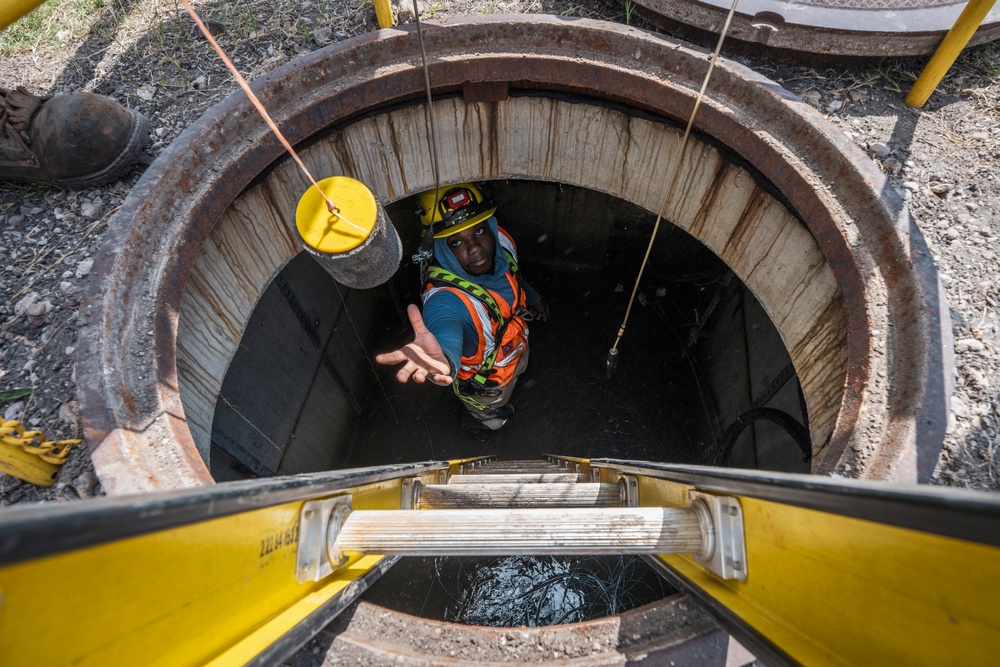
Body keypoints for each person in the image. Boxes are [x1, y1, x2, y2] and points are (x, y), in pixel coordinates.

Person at [376, 183, 548, 434]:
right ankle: (480, 427)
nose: (475, 247)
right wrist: (441, 358)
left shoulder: (502, 243)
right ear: (441, 248)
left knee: (517, 375)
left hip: (515, 351)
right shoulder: (448, 300)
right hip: (487, 386)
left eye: (479, 230)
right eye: (456, 242)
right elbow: (444, 324)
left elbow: (513, 275)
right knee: (489, 418)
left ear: (491, 227)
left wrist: (533, 298)